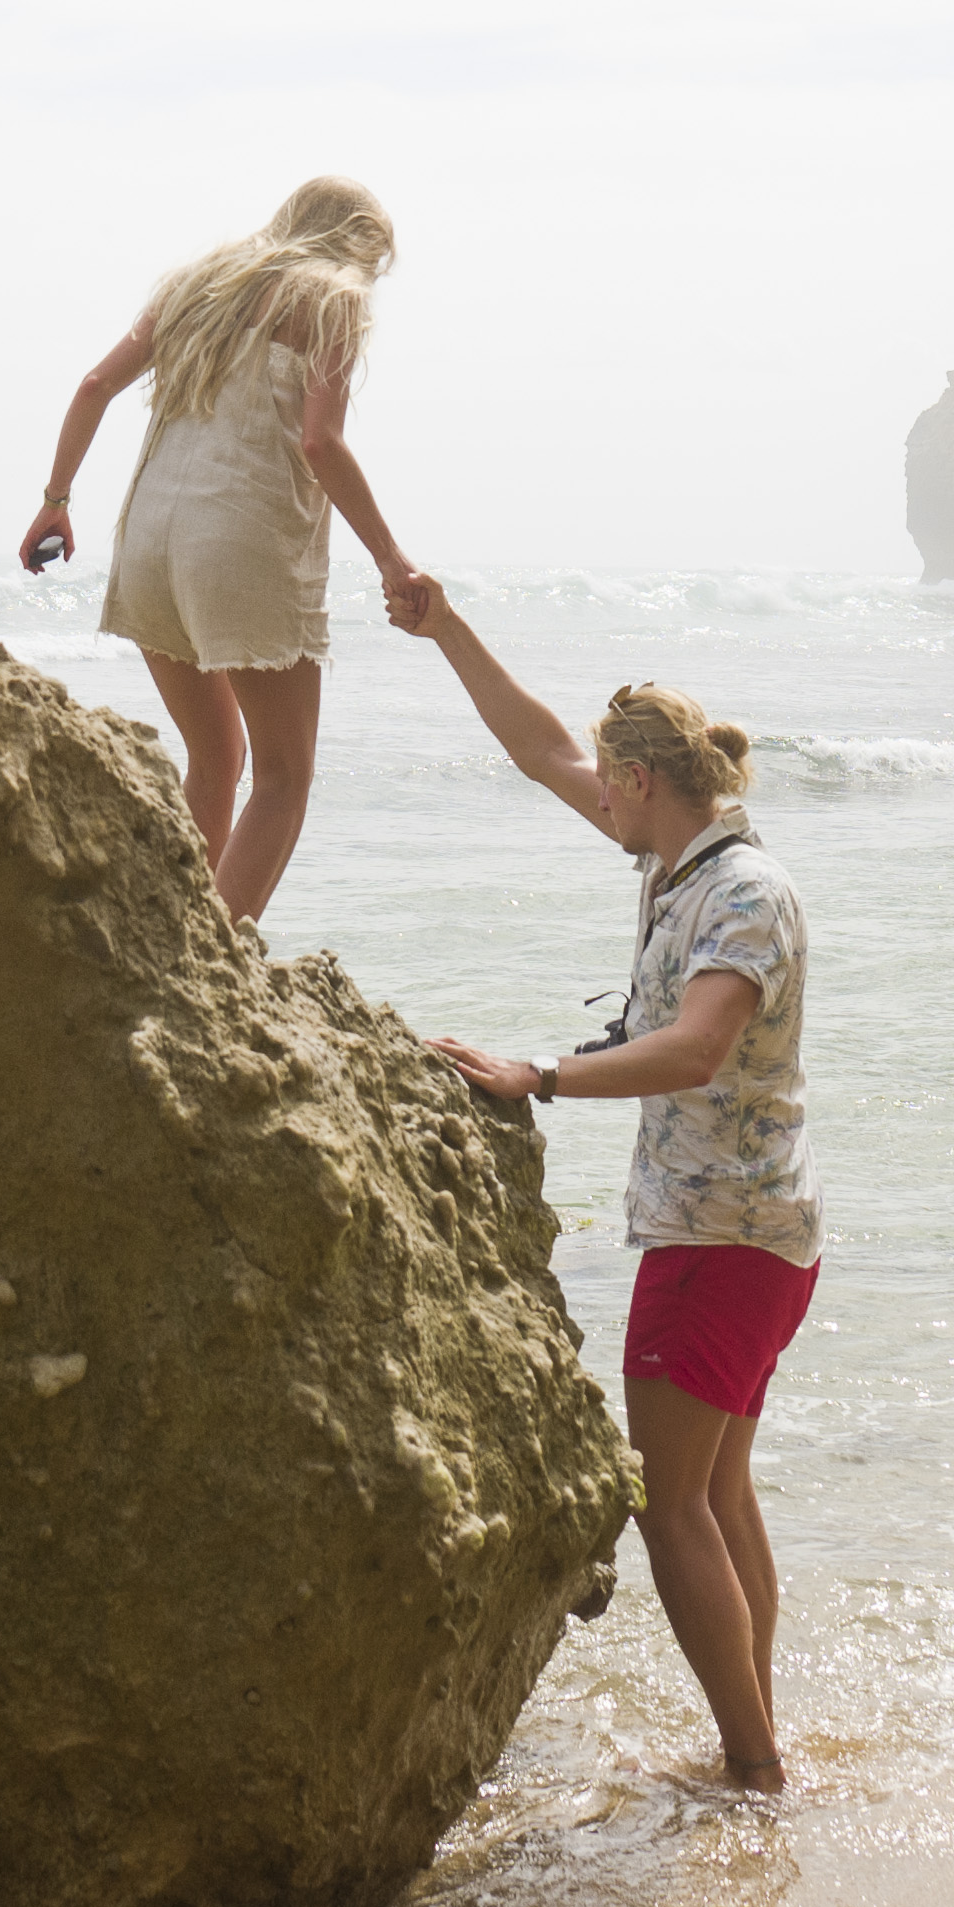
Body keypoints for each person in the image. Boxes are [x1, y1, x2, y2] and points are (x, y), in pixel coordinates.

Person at [396, 580, 811, 1794]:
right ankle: (759, 1737)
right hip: (760, 1228)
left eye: (608, 788)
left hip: (719, 1238)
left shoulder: (739, 893)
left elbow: (696, 1047)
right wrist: (445, 629)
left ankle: (750, 1764)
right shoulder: (687, 857)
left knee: (666, 1504)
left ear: (644, 785)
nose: (595, 800)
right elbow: (540, 748)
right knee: (718, 1489)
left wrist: (542, 1074)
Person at [18, 177, 418, 924]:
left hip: (149, 540)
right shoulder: (330, 297)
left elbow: (95, 384)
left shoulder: (199, 284)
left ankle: (181, 932)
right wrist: (392, 559)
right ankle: (220, 963)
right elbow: (320, 442)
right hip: (238, 543)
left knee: (215, 755)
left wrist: (56, 502)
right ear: (359, 246)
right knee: (284, 776)